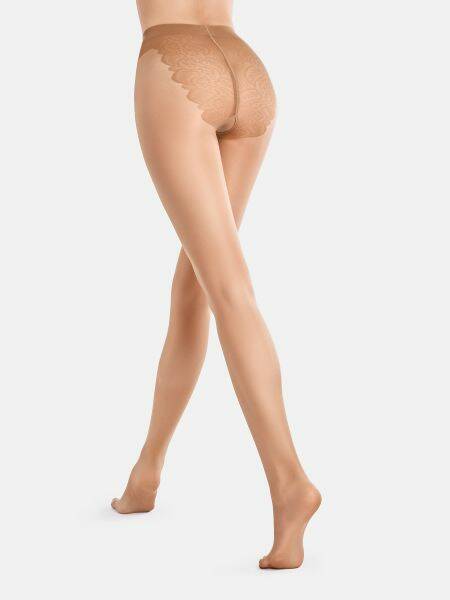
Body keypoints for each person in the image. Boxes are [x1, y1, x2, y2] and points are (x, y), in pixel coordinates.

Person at [112, 0, 321, 570]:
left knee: (228, 288)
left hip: (174, 60)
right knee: (197, 284)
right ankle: (146, 473)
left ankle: (290, 483)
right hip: (245, 68)